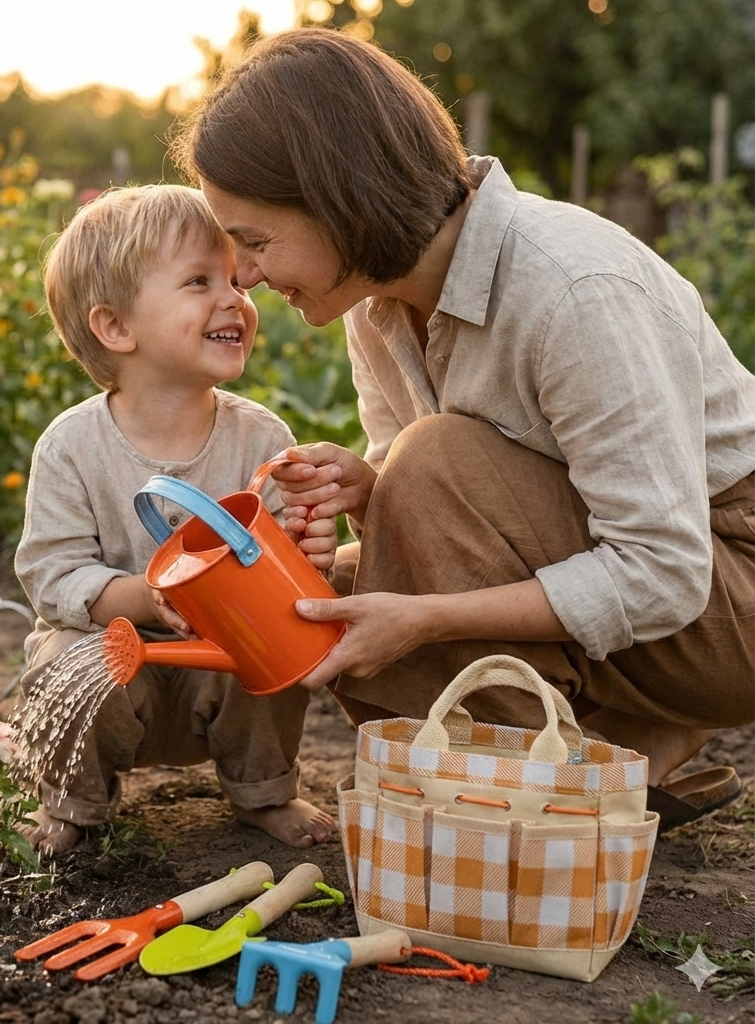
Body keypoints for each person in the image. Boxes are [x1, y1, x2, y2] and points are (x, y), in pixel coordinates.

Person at [174, 28, 755, 830]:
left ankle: (547, 806)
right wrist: (370, 492)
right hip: (642, 579)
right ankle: (610, 756)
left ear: (343, 196)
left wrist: (427, 617)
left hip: (733, 582)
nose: (244, 277)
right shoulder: (376, 303)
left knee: (427, 478)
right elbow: (430, 521)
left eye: (257, 241)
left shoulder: (573, 289)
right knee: (319, 602)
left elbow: (664, 571)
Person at [13, 184, 338, 853]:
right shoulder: (72, 445)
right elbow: (52, 576)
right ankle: (73, 803)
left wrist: (311, 552)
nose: (235, 297)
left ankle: (263, 788)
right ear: (117, 327)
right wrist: (146, 598)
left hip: (216, 664)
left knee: (277, 641)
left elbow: (286, 573)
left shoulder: (260, 438)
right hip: (113, 656)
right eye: (199, 280)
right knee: (69, 663)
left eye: (235, 279)